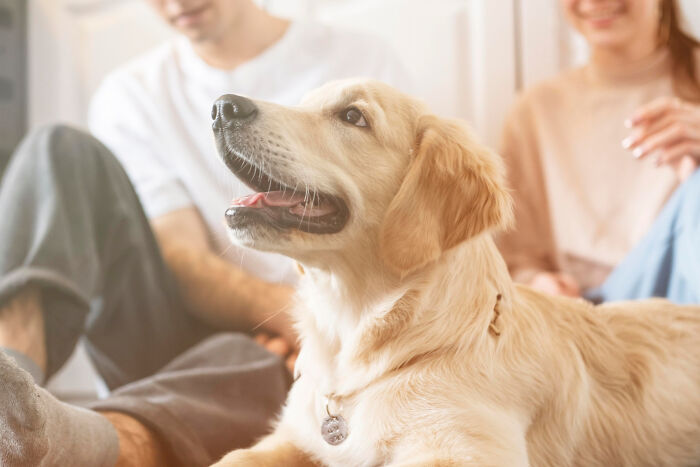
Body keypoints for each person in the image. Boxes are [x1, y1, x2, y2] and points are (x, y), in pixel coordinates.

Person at [0, 0, 412, 465]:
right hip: (184, 333)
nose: (175, 4)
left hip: (300, 357)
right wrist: (289, 316)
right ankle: (10, 399)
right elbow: (180, 252)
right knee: (58, 149)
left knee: (239, 354)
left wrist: (313, 330)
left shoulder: (360, 64)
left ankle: (92, 444)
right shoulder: (131, 93)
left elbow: (409, 224)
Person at [498, 0, 699, 304]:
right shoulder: (536, 110)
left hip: (680, 302)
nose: (593, 2)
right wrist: (538, 284)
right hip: (588, 315)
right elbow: (516, 258)